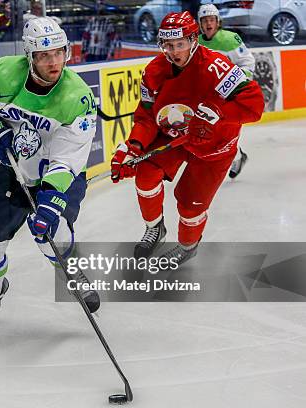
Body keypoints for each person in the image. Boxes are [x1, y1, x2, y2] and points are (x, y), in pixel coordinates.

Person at [0, 17, 99, 324]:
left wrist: (50, 198)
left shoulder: (78, 98)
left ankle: (74, 275)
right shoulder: (0, 75)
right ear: (29, 56)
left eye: (58, 53)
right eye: (44, 56)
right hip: (16, 169)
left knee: (49, 231)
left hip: (61, 175)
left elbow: (67, 158)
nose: (53, 62)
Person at [110, 11, 263, 266]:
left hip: (214, 144)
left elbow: (255, 105)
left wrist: (219, 114)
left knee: (190, 207)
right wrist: (133, 147)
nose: (174, 52)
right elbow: (147, 117)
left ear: (194, 40)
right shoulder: (154, 71)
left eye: (180, 44)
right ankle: (155, 228)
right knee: (145, 170)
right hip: (176, 135)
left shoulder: (216, 66)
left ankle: (188, 246)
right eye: (168, 45)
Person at [198, 3, 255, 179]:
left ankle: (236, 156)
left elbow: (248, 63)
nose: (209, 23)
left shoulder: (230, 39)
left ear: (218, 21)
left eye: (212, 19)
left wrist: (236, 84)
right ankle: (235, 156)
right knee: (208, 133)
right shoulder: (196, 42)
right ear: (200, 23)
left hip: (228, 95)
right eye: (205, 20)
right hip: (206, 96)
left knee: (224, 132)